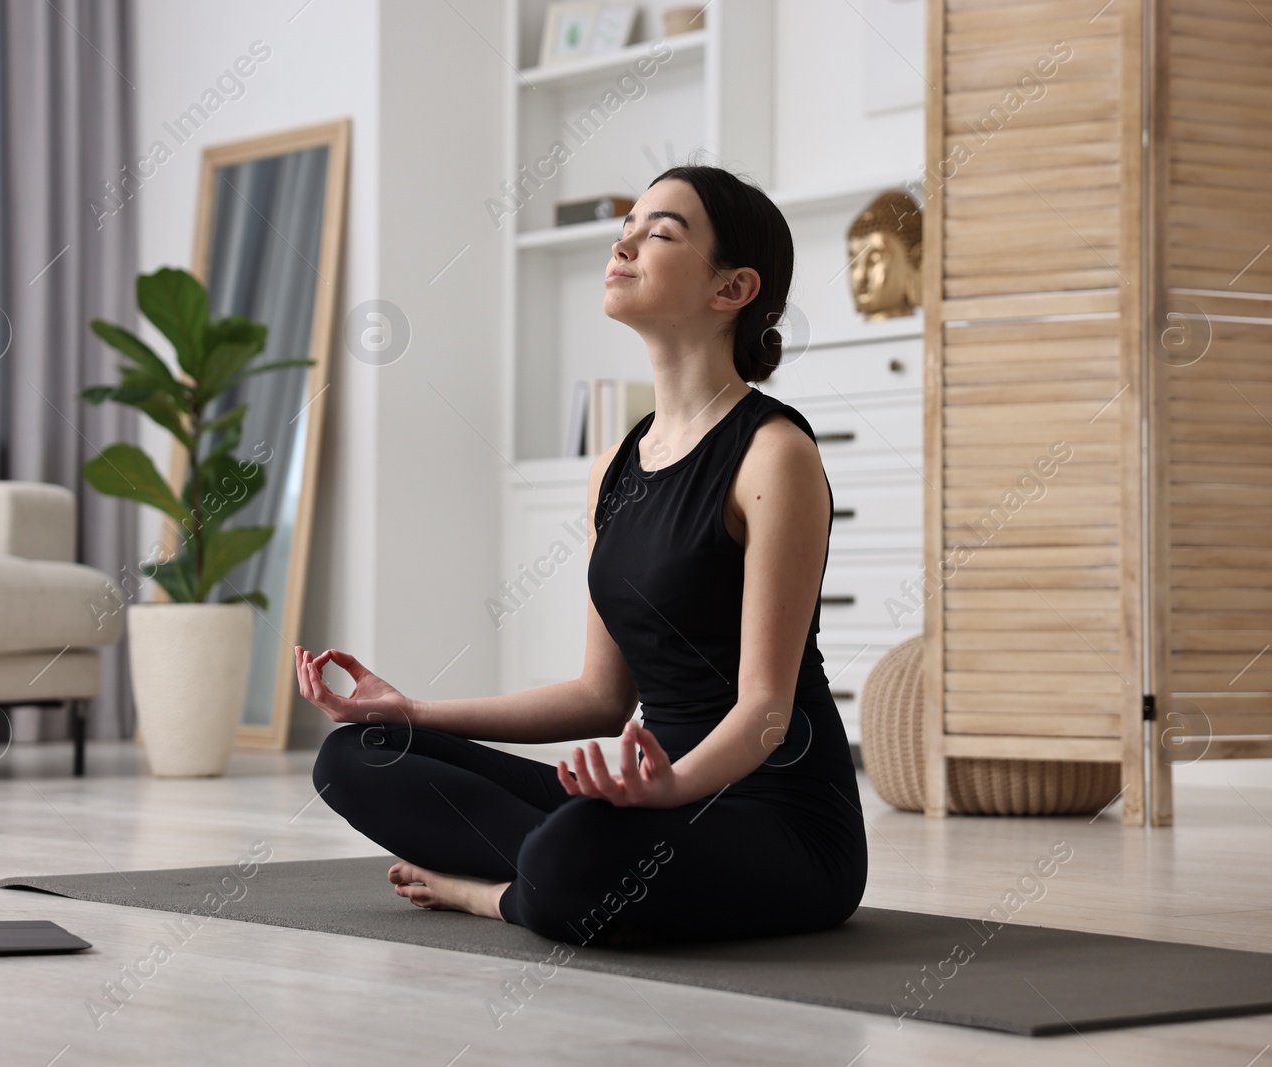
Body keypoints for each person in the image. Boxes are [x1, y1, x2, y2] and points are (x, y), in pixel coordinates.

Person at [297, 164, 868, 947]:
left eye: (660, 230)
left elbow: (767, 711)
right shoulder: (616, 465)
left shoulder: (774, 453)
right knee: (357, 755)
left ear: (732, 289)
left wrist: (672, 787)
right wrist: (411, 710)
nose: (626, 240)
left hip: (773, 815)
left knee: (574, 856)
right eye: (627, 224)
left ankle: (499, 895)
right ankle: (543, 878)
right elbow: (601, 696)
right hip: (644, 802)